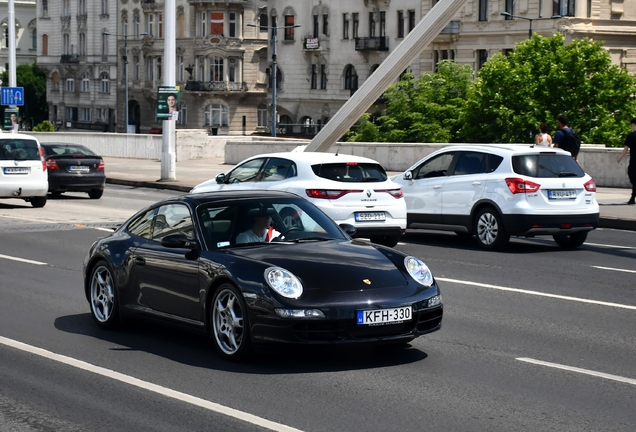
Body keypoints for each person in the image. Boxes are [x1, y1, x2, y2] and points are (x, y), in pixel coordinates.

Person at [617, 117, 636, 205]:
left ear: (633, 125)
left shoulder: (632, 135)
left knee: (633, 177)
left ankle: (633, 198)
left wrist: (620, 157)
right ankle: (632, 197)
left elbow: (626, 148)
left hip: (634, 161)